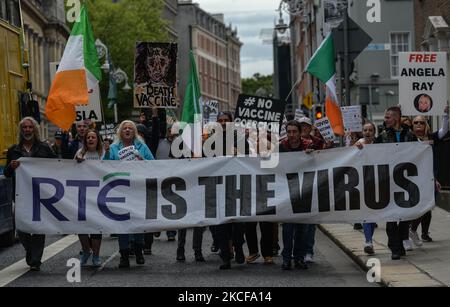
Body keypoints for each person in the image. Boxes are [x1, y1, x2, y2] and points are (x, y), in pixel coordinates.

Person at [4, 117, 57, 271]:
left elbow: (57, 166)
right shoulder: (14, 150)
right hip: (20, 195)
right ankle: (30, 250)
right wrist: (11, 166)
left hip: (40, 194)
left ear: (35, 130)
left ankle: (35, 260)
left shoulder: (45, 148)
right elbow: (7, 174)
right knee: (21, 227)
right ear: (21, 130)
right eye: (25, 128)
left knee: (39, 227)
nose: (27, 130)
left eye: (30, 127)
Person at [103, 120, 155, 268]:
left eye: (130, 129)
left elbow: (153, 164)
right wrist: (106, 153)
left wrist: (142, 159)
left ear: (134, 132)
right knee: (122, 223)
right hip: (119, 190)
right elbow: (103, 166)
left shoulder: (142, 146)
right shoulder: (113, 148)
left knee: (137, 221)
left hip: (137, 189)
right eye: (124, 128)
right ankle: (124, 255)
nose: (127, 130)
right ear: (120, 132)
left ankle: (138, 250)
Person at [372, 106, 416, 260]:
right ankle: (395, 249)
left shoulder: (410, 135)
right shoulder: (383, 136)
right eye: (385, 117)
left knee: (405, 216)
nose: (386, 120)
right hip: (388, 182)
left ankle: (400, 242)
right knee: (390, 218)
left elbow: (418, 154)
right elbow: (371, 152)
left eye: (388, 117)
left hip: (405, 182)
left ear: (396, 118)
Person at [409, 106, 449, 245]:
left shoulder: (432, 137)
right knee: (416, 207)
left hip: (430, 178)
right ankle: (410, 232)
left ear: (426, 125)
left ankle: (414, 230)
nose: (419, 124)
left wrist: (445, 114)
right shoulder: (408, 138)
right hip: (413, 179)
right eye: (416, 122)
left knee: (427, 206)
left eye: (422, 122)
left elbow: (444, 131)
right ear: (411, 125)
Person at [279, 120, 312, 270]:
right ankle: (286, 259)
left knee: (302, 229)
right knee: (287, 228)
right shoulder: (280, 147)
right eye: (289, 132)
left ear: (300, 132)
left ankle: (299, 258)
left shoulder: (308, 146)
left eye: (294, 132)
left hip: (304, 192)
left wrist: (312, 155)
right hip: (286, 193)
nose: (291, 135)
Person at [74, 129, 105, 267]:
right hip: (83, 195)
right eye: (88, 137)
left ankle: (96, 255)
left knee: (97, 227)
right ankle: (86, 251)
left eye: (93, 137)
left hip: (100, 195)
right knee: (81, 226)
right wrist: (77, 162)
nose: (91, 139)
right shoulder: (80, 153)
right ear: (85, 140)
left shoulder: (103, 153)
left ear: (97, 139)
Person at [355, 122, 377, 255]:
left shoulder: (379, 144)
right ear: (362, 132)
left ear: (374, 132)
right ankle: (368, 241)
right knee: (366, 213)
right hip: (362, 183)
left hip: (377, 182)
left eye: (370, 130)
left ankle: (369, 240)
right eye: (365, 130)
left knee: (373, 213)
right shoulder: (358, 144)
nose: (367, 132)